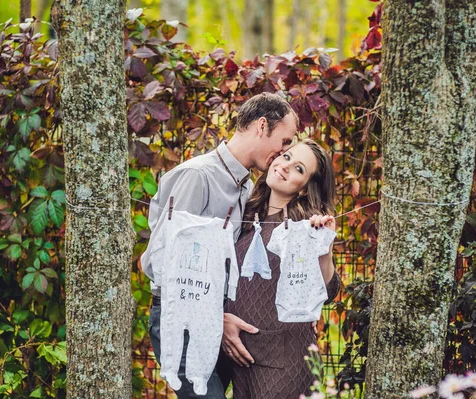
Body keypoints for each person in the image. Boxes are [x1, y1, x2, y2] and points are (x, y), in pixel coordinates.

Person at [139, 92, 299, 398]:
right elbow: (161, 266)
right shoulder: (198, 177)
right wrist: (214, 317)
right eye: (284, 141)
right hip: (182, 322)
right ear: (262, 126)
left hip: (219, 321)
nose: (282, 152)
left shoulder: (247, 186)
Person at [221, 139, 341, 398]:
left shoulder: (303, 226)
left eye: (299, 169)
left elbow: (328, 291)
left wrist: (323, 249)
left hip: (285, 359)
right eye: (286, 157)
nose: (285, 167)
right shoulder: (245, 212)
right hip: (243, 357)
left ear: (304, 189)